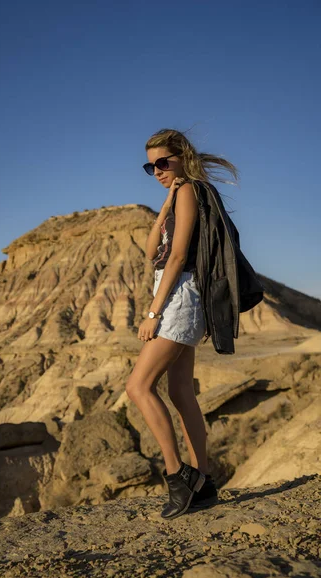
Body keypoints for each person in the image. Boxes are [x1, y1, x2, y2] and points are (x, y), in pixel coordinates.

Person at [125, 128, 239, 520]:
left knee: (138, 386)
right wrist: (166, 203)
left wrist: (153, 314)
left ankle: (178, 476)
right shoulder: (180, 194)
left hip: (179, 299)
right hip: (175, 295)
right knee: (180, 392)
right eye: (150, 165)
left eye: (163, 162)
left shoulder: (190, 189)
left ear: (180, 156)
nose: (157, 170)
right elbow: (150, 250)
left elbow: (175, 259)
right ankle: (203, 481)